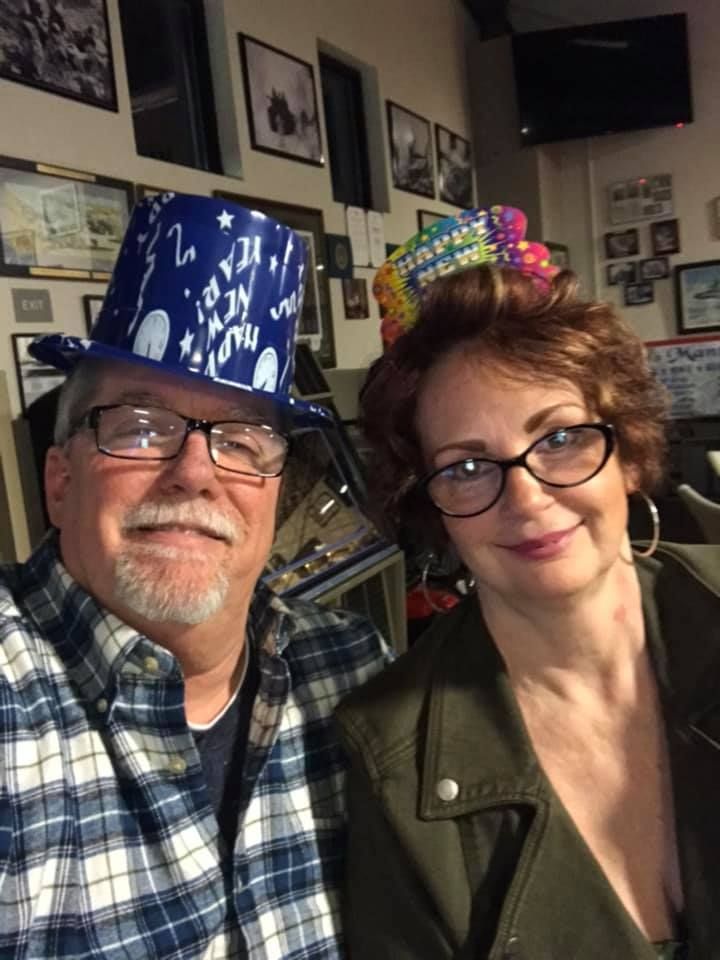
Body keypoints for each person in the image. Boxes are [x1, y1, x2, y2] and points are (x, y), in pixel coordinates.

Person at [0, 193, 389, 958]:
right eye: (139, 428)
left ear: (277, 493)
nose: (194, 473)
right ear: (59, 479)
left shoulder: (352, 673)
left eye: (242, 441)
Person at [336, 206, 720, 959]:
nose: (529, 498)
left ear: (628, 450)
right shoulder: (391, 754)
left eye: (562, 439)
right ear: (433, 506)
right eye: (468, 466)